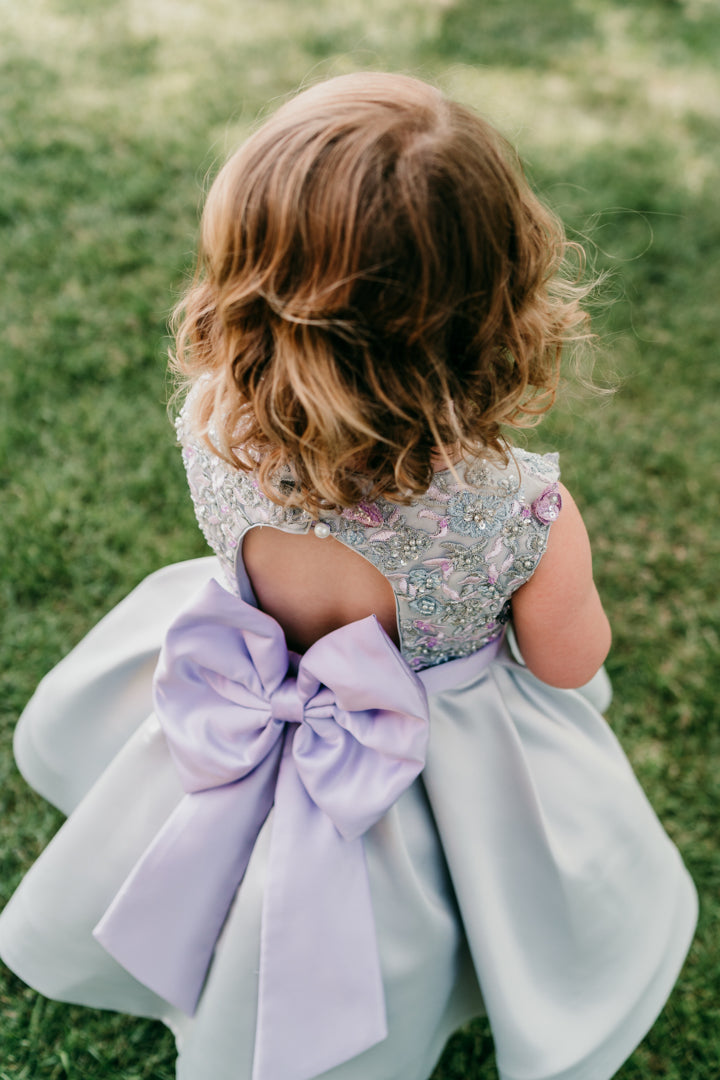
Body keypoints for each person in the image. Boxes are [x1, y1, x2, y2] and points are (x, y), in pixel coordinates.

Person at [0, 73, 697, 1080]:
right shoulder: (519, 508)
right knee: (451, 904)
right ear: (497, 300)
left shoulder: (217, 425)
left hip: (243, 696)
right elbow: (566, 660)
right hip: (435, 756)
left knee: (251, 889)